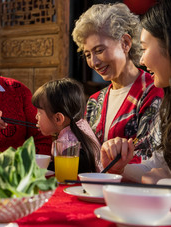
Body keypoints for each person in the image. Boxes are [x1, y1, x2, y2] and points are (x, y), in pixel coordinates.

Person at [72, 3, 164, 163]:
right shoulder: (94, 101)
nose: (94, 62)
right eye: (87, 54)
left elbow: (149, 158)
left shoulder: (152, 90)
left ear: (125, 43)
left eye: (99, 50)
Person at [100, 0, 171, 183]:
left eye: (145, 48)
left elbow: (159, 175)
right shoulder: (167, 106)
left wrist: (163, 182)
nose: (141, 60)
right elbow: (155, 167)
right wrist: (120, 168)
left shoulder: (149, 92)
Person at [32, 78, 101, 172]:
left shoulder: (67, 143)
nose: (36, 117)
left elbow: (63, 172)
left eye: (39, 112)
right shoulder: (82, 124)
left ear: (58, 118)